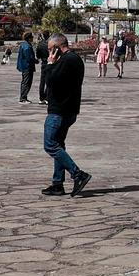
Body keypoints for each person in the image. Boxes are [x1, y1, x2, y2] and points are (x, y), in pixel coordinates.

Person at [41, 33, 92, 197]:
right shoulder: (73, 59)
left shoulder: (67, 60)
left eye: (50, 49)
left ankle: (78, 174)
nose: (49, 52)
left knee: (50, 145)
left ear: (57, 48)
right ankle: (57, 184)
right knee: (58, 145)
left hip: (60, 111)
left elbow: (52, 82)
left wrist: (50, 64)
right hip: (68, 109)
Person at [16, 32, 37, 104]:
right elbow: (29, 58)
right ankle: (23, 98)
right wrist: (36, 61)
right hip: (27, 67)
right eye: (32, 37)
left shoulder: (23, 44)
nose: (33, 38)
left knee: (24, 82)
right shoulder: (27, 46)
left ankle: (23, 97)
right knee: (27, 82)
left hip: (24, 66)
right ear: (29, 38)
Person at [37, 29, 52, 102]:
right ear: (49, 35)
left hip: (43, 62)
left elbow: (38, 55)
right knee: (49, 80)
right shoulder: (50, 44)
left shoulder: (40, 44)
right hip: (50, 62)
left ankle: (41, 98)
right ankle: (46, 97)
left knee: (42, 81)